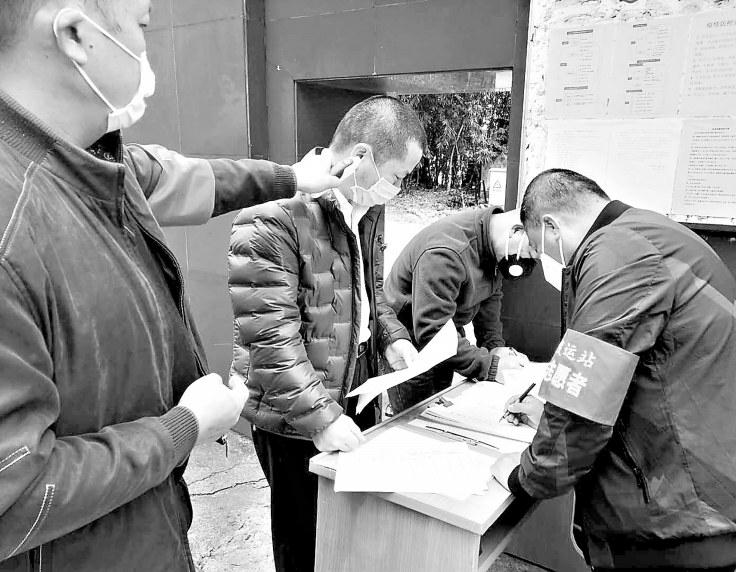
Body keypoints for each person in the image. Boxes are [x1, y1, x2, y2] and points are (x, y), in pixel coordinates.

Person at [0, 2, 348, 570]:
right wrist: (182, 428)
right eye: (141, 26)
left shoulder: (97, 163)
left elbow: (192, 178)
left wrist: (290, 177)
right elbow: (13, 497)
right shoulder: (13, 224)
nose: (146, 50)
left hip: (147, 529)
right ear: (76, 34)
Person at [491, 169, 736, 572]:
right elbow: (645, 370)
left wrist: (526, 474)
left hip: (676, 516)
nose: (548, 260)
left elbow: (583, 395)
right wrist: (544, 412)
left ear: (551, 226)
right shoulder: (653, 233)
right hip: (709, 486)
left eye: (540, 247)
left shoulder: (618, 255)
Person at [229, 95, 425, 572]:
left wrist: (393, 337)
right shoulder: (272, 215)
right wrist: (320, 418)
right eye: (397, 176)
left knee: (346, 533)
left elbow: (367, 292)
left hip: (354, 387)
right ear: (360, 156)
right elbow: (271, 337)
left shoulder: (364, 205)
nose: (398, 189)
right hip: (295, 408)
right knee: (303, 540)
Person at [384, 207, 535, 413]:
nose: (529, 258)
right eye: (530, 250)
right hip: (410, 347)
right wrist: (490, 366)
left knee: (442, 412)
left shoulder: (495, 246)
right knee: (416, 420)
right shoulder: (446, 252)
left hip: (448, 336)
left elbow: (490, 303)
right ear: (516, 231)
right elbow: (432, 332)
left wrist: (495, 348)